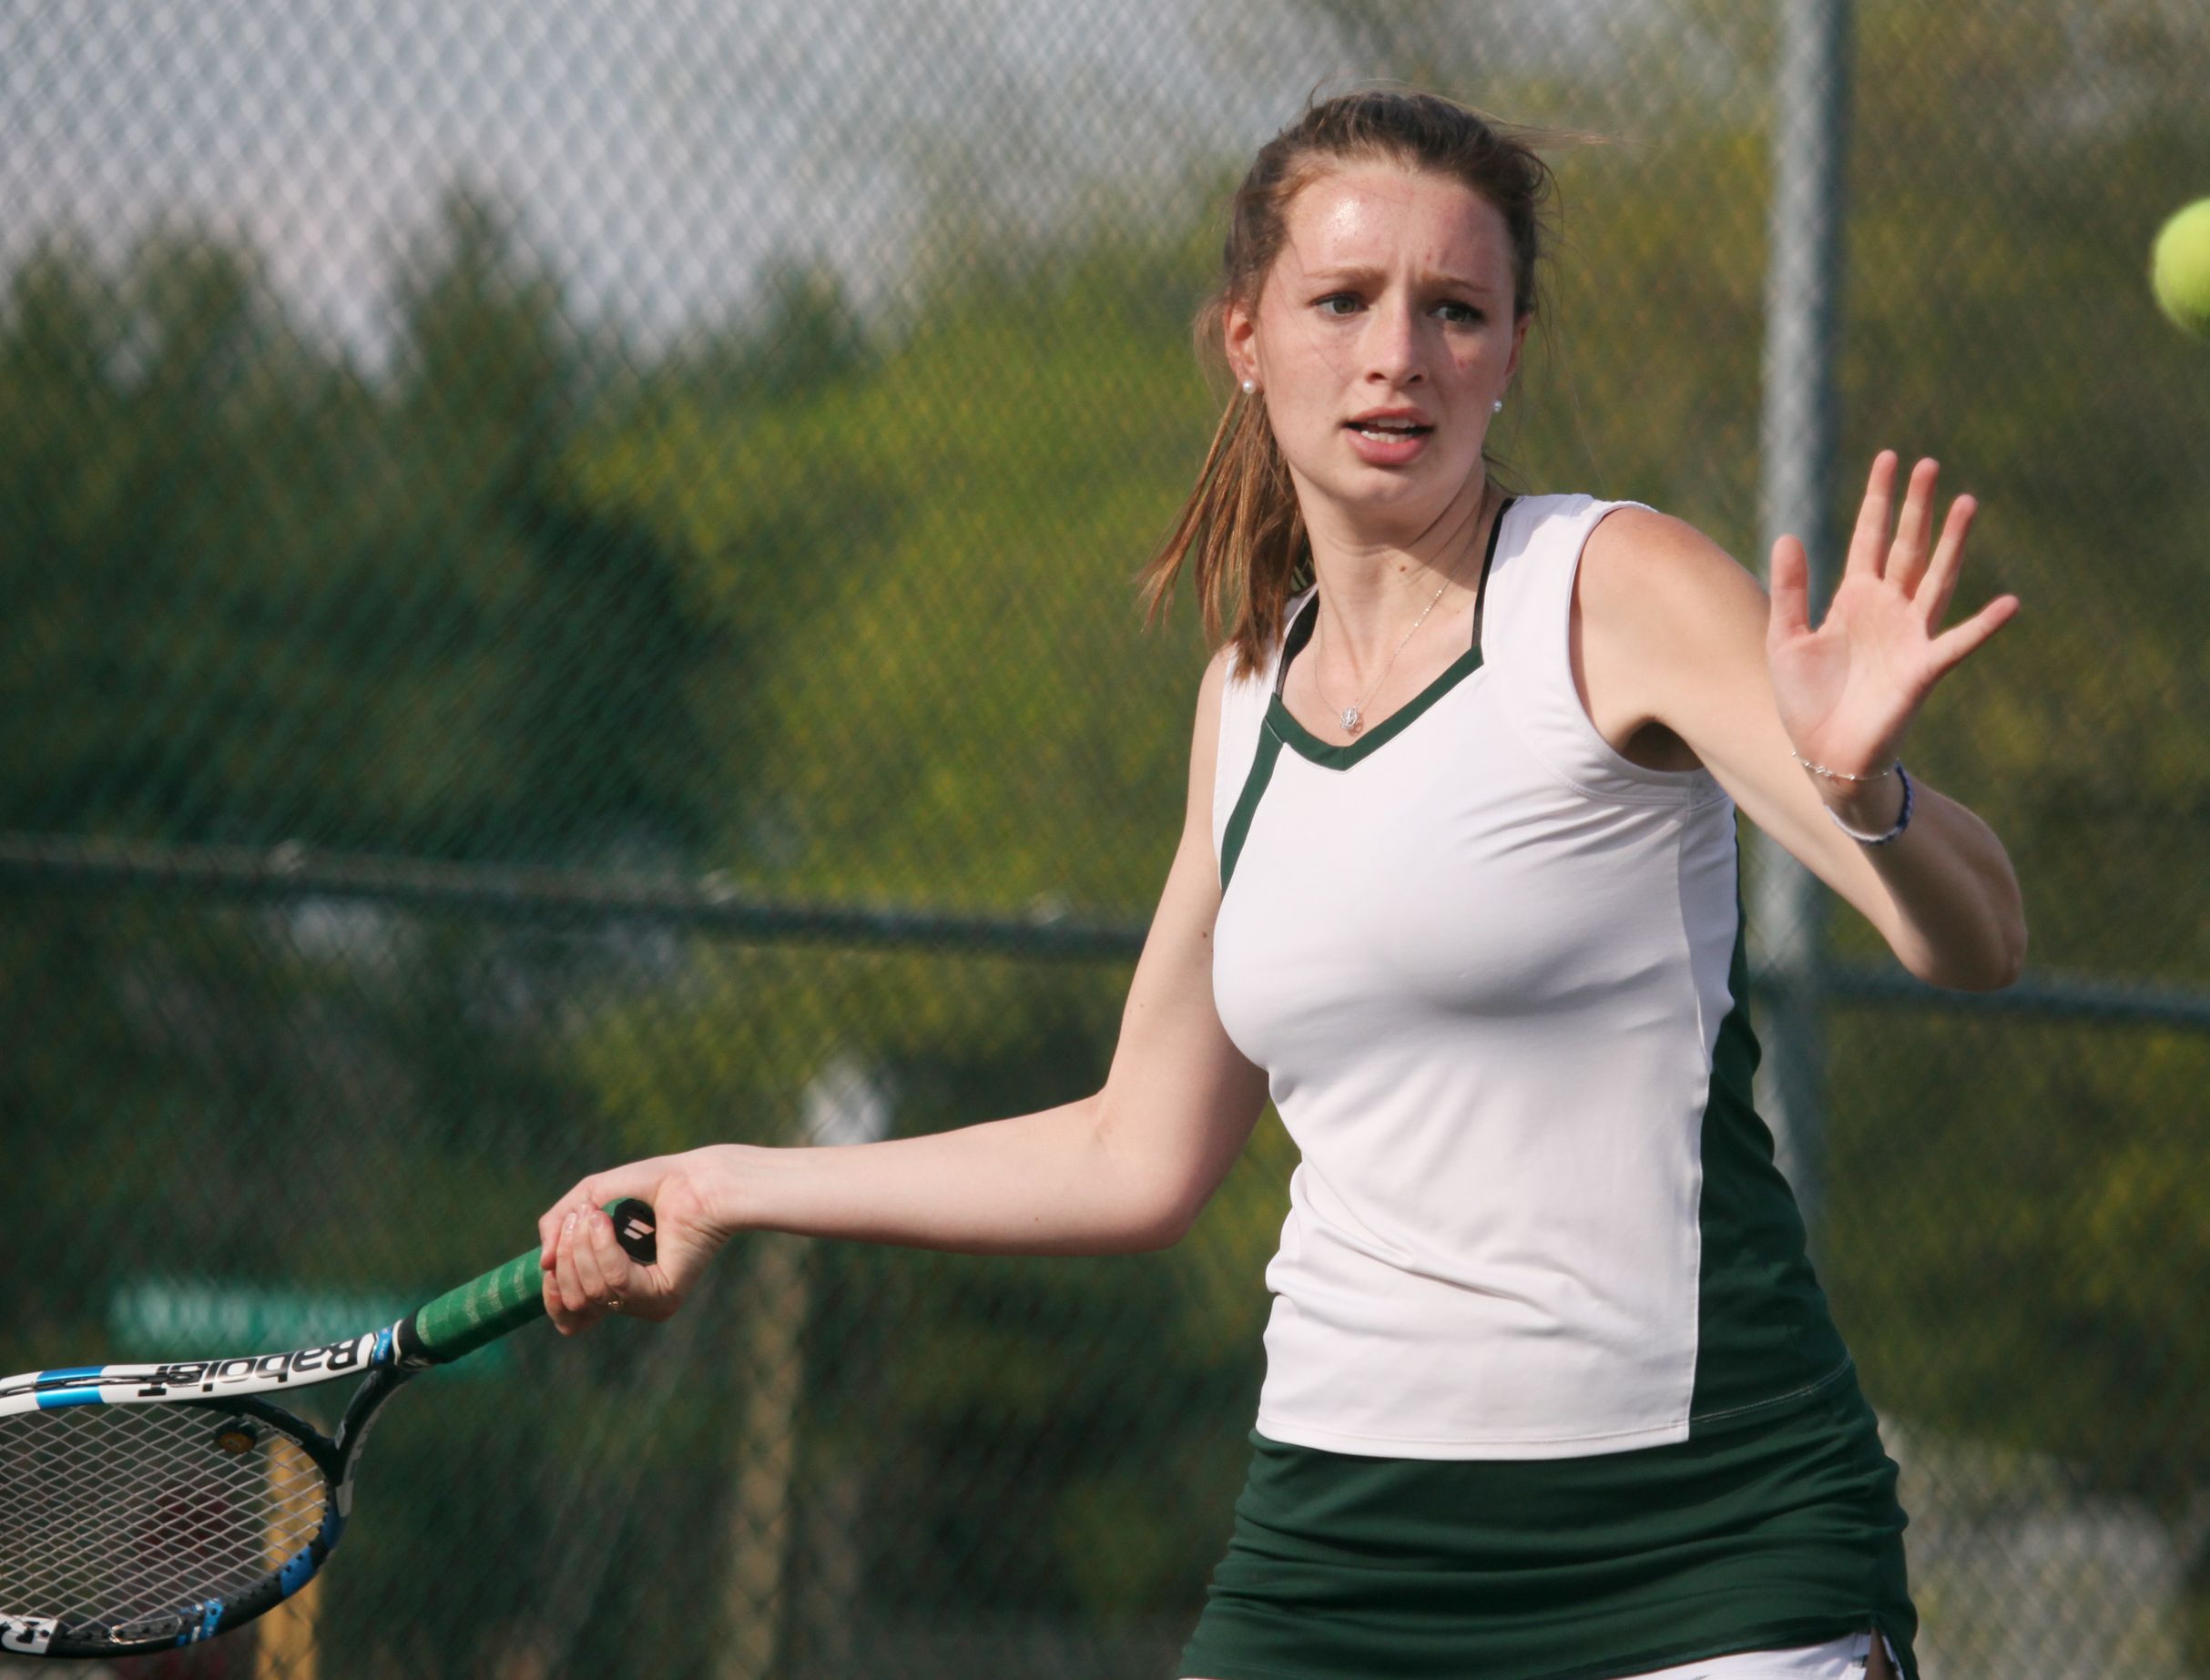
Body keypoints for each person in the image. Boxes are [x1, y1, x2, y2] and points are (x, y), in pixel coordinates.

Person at [537, 87, 2023, 1680]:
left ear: (1511, 346)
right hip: (1334, 1553)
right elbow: (1131, 1151)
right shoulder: (1245, 694)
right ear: (1244, 336)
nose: (1399, 353)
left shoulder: (1608, 590)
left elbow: (1973, 936)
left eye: (1455, 309)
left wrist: (1860, 791)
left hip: (1704, 1553)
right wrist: (725, 1183)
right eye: (1342, 302)